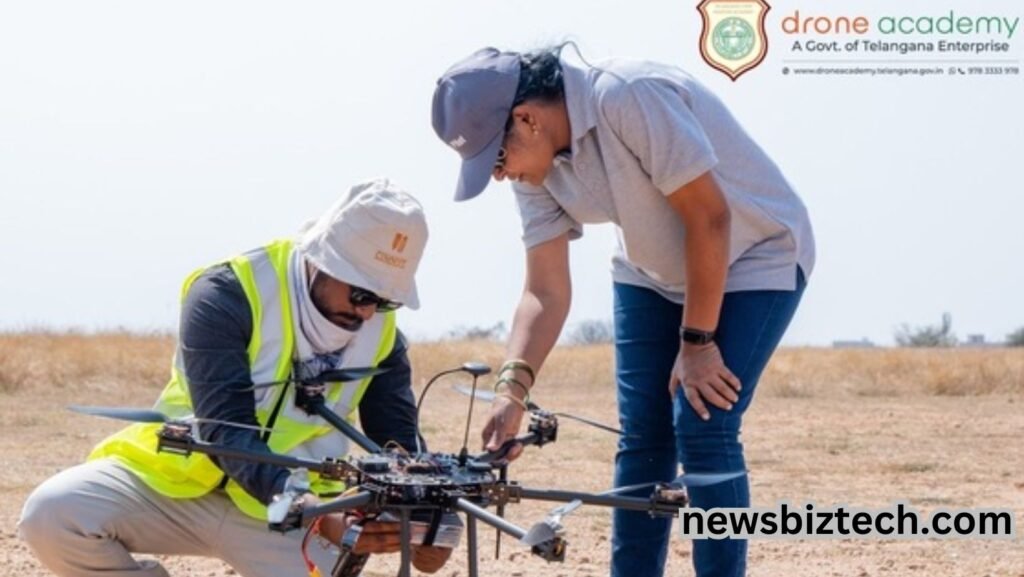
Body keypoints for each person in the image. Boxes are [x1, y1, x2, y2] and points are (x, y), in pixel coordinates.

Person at [431, 45, 815, 577]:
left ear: (527, 120)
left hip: (754, 255)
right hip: (651, 273)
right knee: (643, 440)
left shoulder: (628, 95)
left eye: (495, 159)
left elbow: (710, 219)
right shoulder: (534, 172)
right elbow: (544, 289)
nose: (498, 176)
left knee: (704, 422)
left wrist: (697, 344)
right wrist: (510, 392)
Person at [18, 178, 453, 577]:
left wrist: (425, 522)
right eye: (361, 293)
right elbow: (225, 429)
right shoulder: (228, 293)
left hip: (289, 518)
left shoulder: (382, 337)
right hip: (175, 486)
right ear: (323, 258)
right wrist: (318, 513)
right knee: (54, 515)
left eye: (385, 301)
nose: (366, 312)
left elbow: (396, 444)